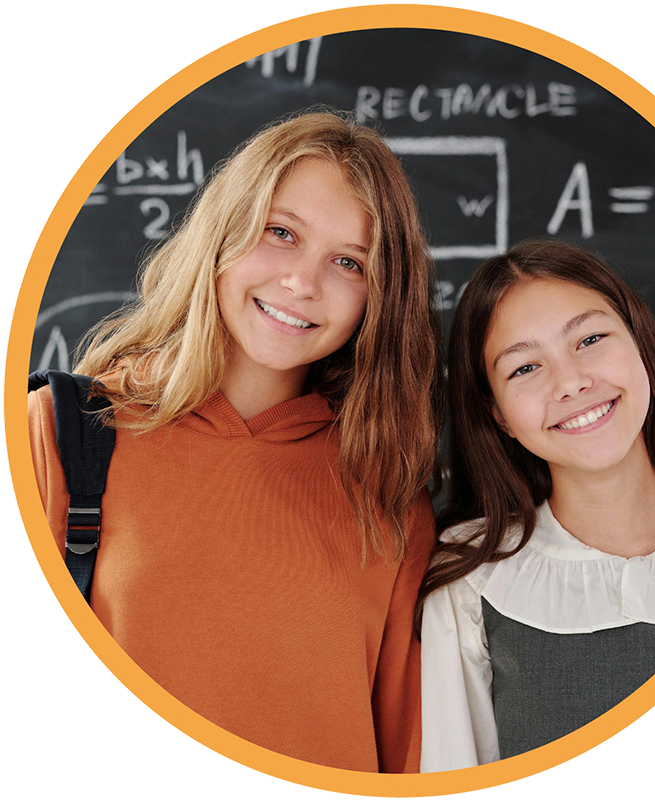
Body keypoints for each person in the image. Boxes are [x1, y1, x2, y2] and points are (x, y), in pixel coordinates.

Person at [29, 112, 442, 773]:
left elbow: (409, 760)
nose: (303, 282)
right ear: (224, 231)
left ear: (378, 297)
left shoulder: (388, 498)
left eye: (348, 262)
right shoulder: (55, 435)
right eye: (281, 233)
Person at [418, 239, 655, 771]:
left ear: (641, 343)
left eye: (591, 338)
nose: (572, 381)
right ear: (500, 416)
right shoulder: (471, 578)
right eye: (524, 369)